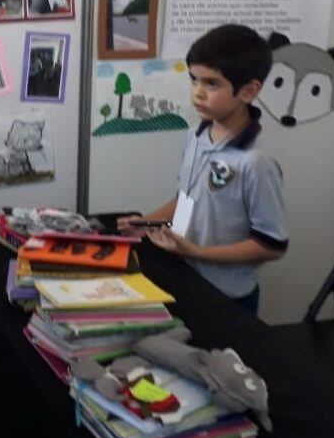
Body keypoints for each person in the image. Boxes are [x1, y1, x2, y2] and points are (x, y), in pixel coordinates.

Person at [118, 24, 287, 315]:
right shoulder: (196, 135)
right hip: (185, 277)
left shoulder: (255, 162)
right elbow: (187, 198)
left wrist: (199, 253)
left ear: (248, 91)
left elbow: (272, 245)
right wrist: (146, 224)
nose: (197, 93)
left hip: (228, 298)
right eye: (194, 80)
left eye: (212, 84)